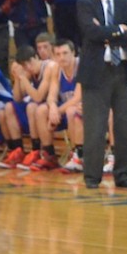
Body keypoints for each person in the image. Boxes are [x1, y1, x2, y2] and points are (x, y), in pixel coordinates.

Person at [77, 0, 127, 189]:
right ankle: (92, 177)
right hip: (96, 73)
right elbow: (90, 32)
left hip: (121, 70)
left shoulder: (125, 3)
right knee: (95, 128)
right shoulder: (86, 3)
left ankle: (123, 175)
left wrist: (107, 31)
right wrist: (118, 30)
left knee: (125, 126)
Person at [31, 39, 83, 172]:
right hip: (65, 109)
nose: (62, 57)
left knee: (72, 110)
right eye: (58, 54)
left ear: (73, 53)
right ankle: (50, 155)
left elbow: (77, 98)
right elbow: (51, 96)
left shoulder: (82, 65)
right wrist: (53, 108)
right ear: (54, 56)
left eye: (65, 53)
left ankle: (77, 155)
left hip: (82, 109)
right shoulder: (56, 69)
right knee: (41, 110)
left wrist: (57, 111)